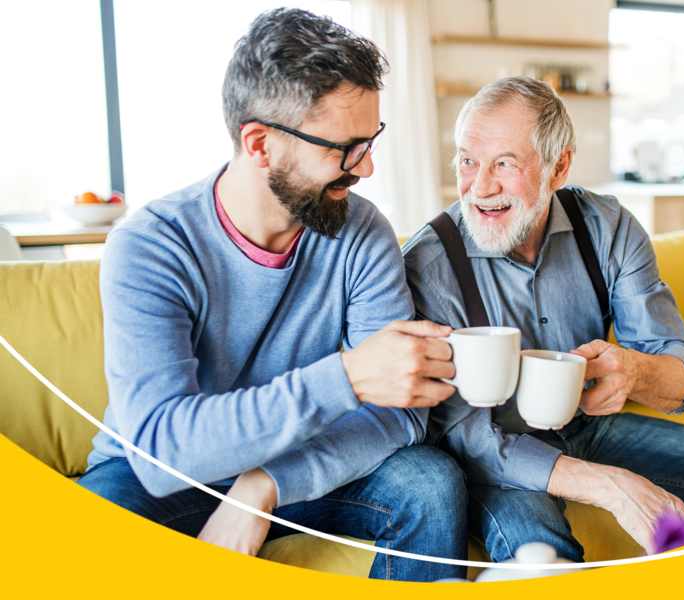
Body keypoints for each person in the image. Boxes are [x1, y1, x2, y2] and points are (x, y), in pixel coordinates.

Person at [78, 9, 467, 582]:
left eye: (371, 140)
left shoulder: (362, 231)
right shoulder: (151, 245)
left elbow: (402, 413)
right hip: (167, 477)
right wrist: (349, 376)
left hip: (302, 469)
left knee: (430, 482)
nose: (368, 166)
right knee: (87, 531)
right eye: (347, 147)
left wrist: (264, 484)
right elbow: (161, 453)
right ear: (259, 144)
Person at [402, 77, 684, 560]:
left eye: (505, 163)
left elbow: (683, 369)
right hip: (496, 450)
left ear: (558, 166)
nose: (480, 187)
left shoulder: (607, 226)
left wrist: (636, 371)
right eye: (467, 161)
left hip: (588, 425)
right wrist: (609, 486)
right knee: (543, 554)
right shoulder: (428, 263)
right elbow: (460, 433)